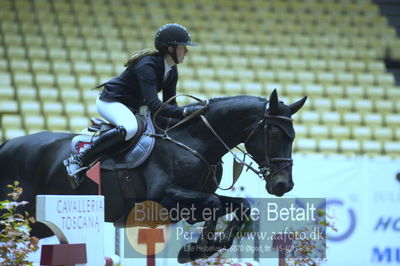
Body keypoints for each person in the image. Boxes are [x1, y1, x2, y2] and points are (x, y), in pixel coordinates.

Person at [64, 23, 203, 189]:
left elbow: (170, 104)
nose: (186, 51)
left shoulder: (172, 70)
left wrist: (186, 115)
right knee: (130, 128)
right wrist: (187, 111)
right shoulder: (147, 65)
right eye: (183, 47)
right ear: (170, 48)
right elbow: (155, 105)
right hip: (112, 102)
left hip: (133, 107)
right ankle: (79, 159)